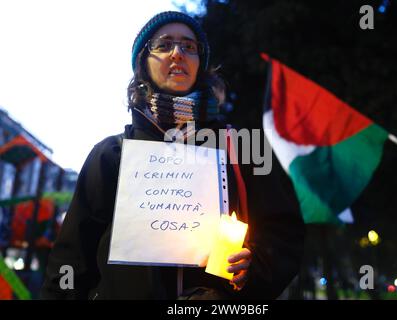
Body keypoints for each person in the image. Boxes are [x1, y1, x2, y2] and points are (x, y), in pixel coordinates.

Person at [40, 11, 305, 300]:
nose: (178, 53)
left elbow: (284, 235)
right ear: (143, 61)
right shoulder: (111, 154)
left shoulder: (243, 147)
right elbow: (72, 259)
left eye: (189, 46)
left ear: (200, 63)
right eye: (164, 45)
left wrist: (255, 268)